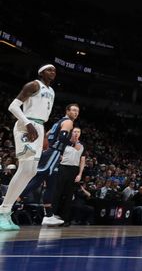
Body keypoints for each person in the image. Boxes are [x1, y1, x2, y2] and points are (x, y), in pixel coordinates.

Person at [1, 65, 57, 231]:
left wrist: (44, 134)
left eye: (54, 71)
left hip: (38, 127)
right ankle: (3, 210)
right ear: (41, 73)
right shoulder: (33, 85)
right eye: (49, 70)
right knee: (25, 168)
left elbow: (43, 115)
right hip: (27, 126)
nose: (53, 73)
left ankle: (6, 211)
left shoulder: (52, 91)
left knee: (31, 171)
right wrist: (27, 123)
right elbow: (12, 106)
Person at [22, 102, 81, 226]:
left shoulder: (58, 122)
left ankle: (48, 216)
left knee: (51, 184)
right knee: (38, 179)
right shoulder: (68, 122)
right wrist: (71, 144)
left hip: (51, 152)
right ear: (67, 111)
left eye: (77, 111)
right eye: (73, 110)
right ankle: (11, 204)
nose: (76, 113)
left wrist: (46, 147)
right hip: (53, 153)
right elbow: (63, 138)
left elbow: (47, 135)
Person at [51, 126, 86, 226]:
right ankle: (52, 216)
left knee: (69, 195)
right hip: (63, 168)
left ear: (80, 134)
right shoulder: (65, 143)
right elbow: (57, 155)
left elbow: (82, 160)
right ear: (71, 133)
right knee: (58, 193)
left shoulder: (82, 145)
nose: (76, 133)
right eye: (75, 131)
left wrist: (80, 174)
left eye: (78, 132)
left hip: (74, 170)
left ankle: (64, 219)